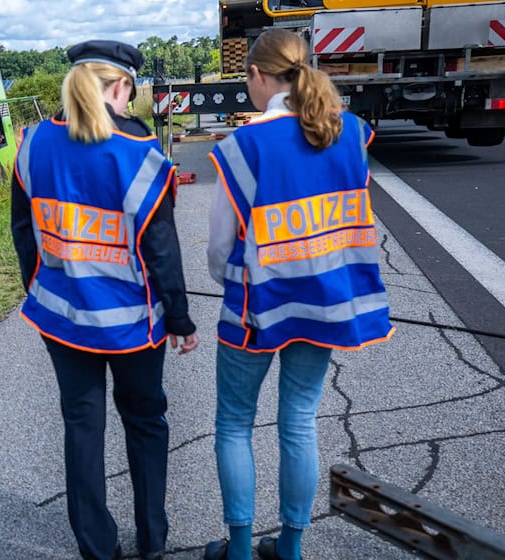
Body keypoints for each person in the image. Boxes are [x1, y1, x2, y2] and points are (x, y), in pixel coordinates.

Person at [204, 29, 395, 560]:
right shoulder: (349, 131)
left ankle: (239, 550)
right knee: (299, 421)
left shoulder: (244, 146)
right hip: (324, 304)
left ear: (259, 77)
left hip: (254, 310)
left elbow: (221, 248)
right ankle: (289, 547)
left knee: (235, 423)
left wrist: (230, 279)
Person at [11, 40, 200, 560]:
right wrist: (181, 318)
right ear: (122, 88)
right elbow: (161, 248)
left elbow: (24, 234)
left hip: (62, 316)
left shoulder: (31, 144)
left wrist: (42, 289)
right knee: (145, 423)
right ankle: (153, 540)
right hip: (133, 325)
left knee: (81, 425)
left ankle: (96, 548)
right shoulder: (139, 154)